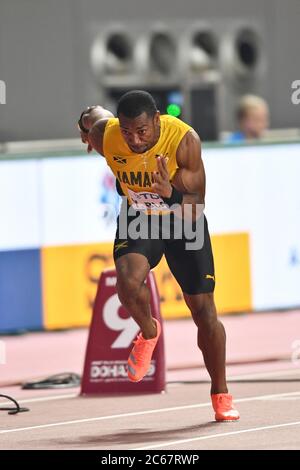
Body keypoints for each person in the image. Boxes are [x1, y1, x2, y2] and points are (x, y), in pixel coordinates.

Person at [78, 91, 239, 422]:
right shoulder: (107, 134)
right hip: (139, 218)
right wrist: (84, 123)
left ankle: (220, 393)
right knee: (127, 279)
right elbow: (94, 116)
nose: (135, 140)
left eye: (142, 131)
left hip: (183, 220)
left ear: (156, 121)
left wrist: (171, 193)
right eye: (127, 132)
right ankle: (149, 332)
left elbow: (197, 206)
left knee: (204, 310)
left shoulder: (184, 140)